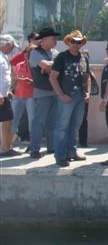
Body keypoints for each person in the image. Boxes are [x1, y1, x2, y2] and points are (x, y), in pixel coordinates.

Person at [49, 30, 91, 167]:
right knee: (62, 126)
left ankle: (72, 151)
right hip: (66, 95)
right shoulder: (62, 57)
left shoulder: (84, 57)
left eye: (78, 42)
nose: (76, 44)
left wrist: (87, 92)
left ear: (82, 43)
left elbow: (87, 76)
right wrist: (61, 95)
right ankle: (60, 155)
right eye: (73, 41)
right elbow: (53, 77)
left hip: (80, 95)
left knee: (75, 126)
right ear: (68, 42)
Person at [28, 27, 60, 158]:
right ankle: (34, 149)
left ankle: (51, 147)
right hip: (42, 92)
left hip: (55, 91)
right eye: (53, 38)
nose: (56, 40)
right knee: (39, 122)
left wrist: (49, 66)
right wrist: (49, 66)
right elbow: (46, 65)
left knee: (53, 122)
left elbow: (58, 65)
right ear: (45, 39)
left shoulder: (55, 52)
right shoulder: (35, 53)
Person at [0, 34, 19, 157]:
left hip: (4, 95)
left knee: (7, 121)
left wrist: (8, 91)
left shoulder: (4, 56)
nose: (12, 49)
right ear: (6, 44)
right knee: (7, 121)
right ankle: (5, 148)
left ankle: (5, 147)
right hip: (1, 96)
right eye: (11, 46)